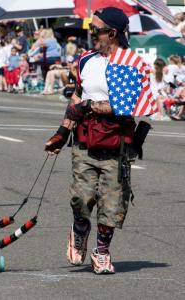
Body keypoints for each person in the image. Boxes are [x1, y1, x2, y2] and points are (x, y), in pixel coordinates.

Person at [45, 7, 155, 275]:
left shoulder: (131, 63)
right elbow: (76, 97)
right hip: (84, 141)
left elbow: (126, 106)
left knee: (112, 204)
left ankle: (102, 251)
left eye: (97, 30)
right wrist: (62, 132)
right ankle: (80, 229)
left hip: (117, 145)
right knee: (81, 200)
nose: (92, 34)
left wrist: (91, 106)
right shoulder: (86, 60)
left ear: (113, 33)